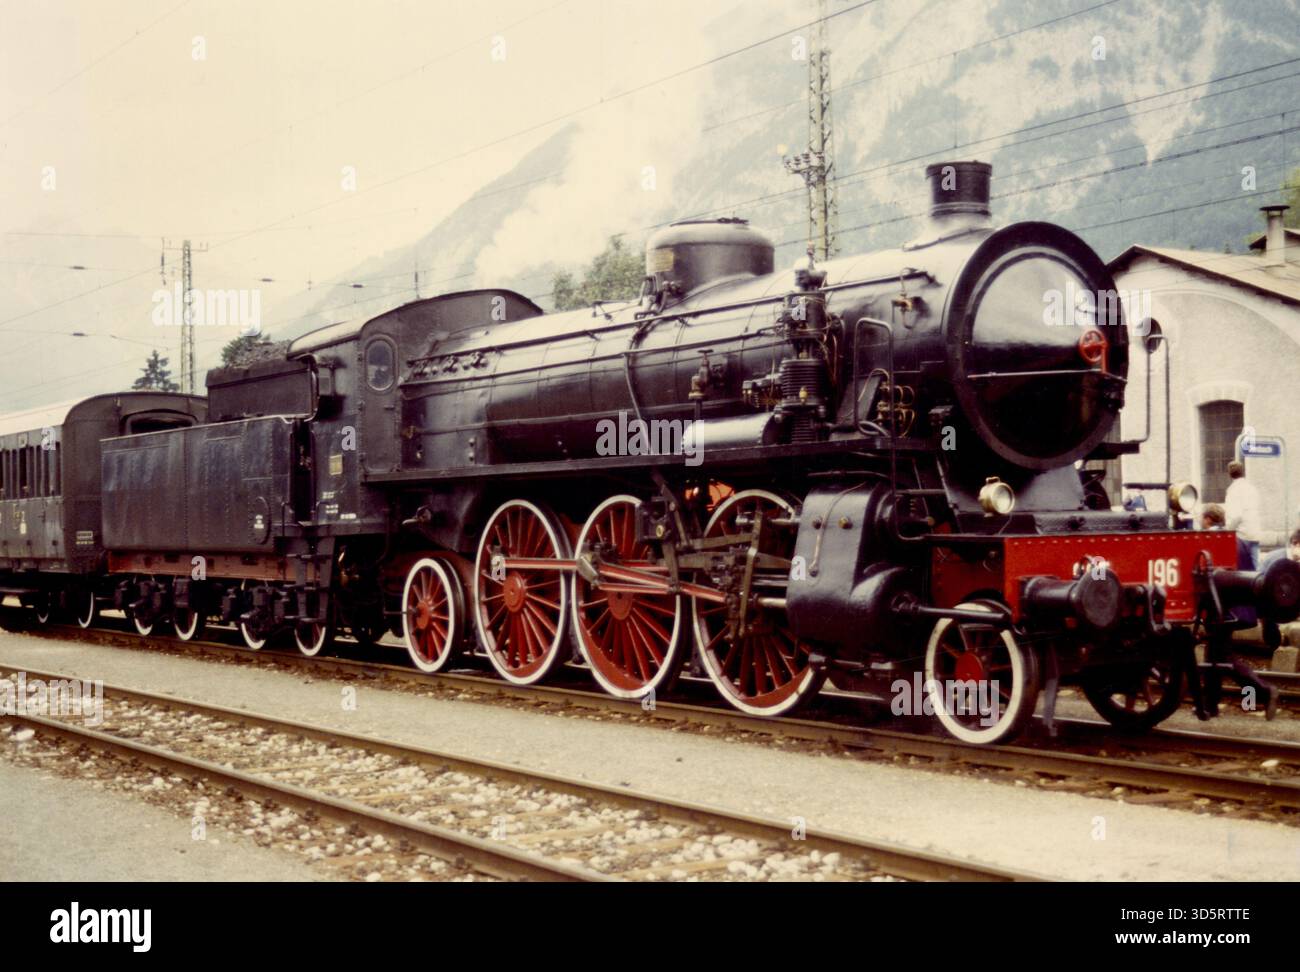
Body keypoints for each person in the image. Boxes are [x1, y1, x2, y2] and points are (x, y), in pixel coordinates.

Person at [1260, 529, 1300, 650]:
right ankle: (1274, 642)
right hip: (1270, 602)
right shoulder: (1275, 559)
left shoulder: (1295, 560)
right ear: (1296, 544)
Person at [1223, 460, 1262, 568]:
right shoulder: (1252, 488)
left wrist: (1228, 529)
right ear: (1243, 472)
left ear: (1229, 474)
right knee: (1255, 570)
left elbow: (1236, 516)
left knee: (1242, 572)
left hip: (1241, 536)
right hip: (1254, 532)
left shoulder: (1233, 490)